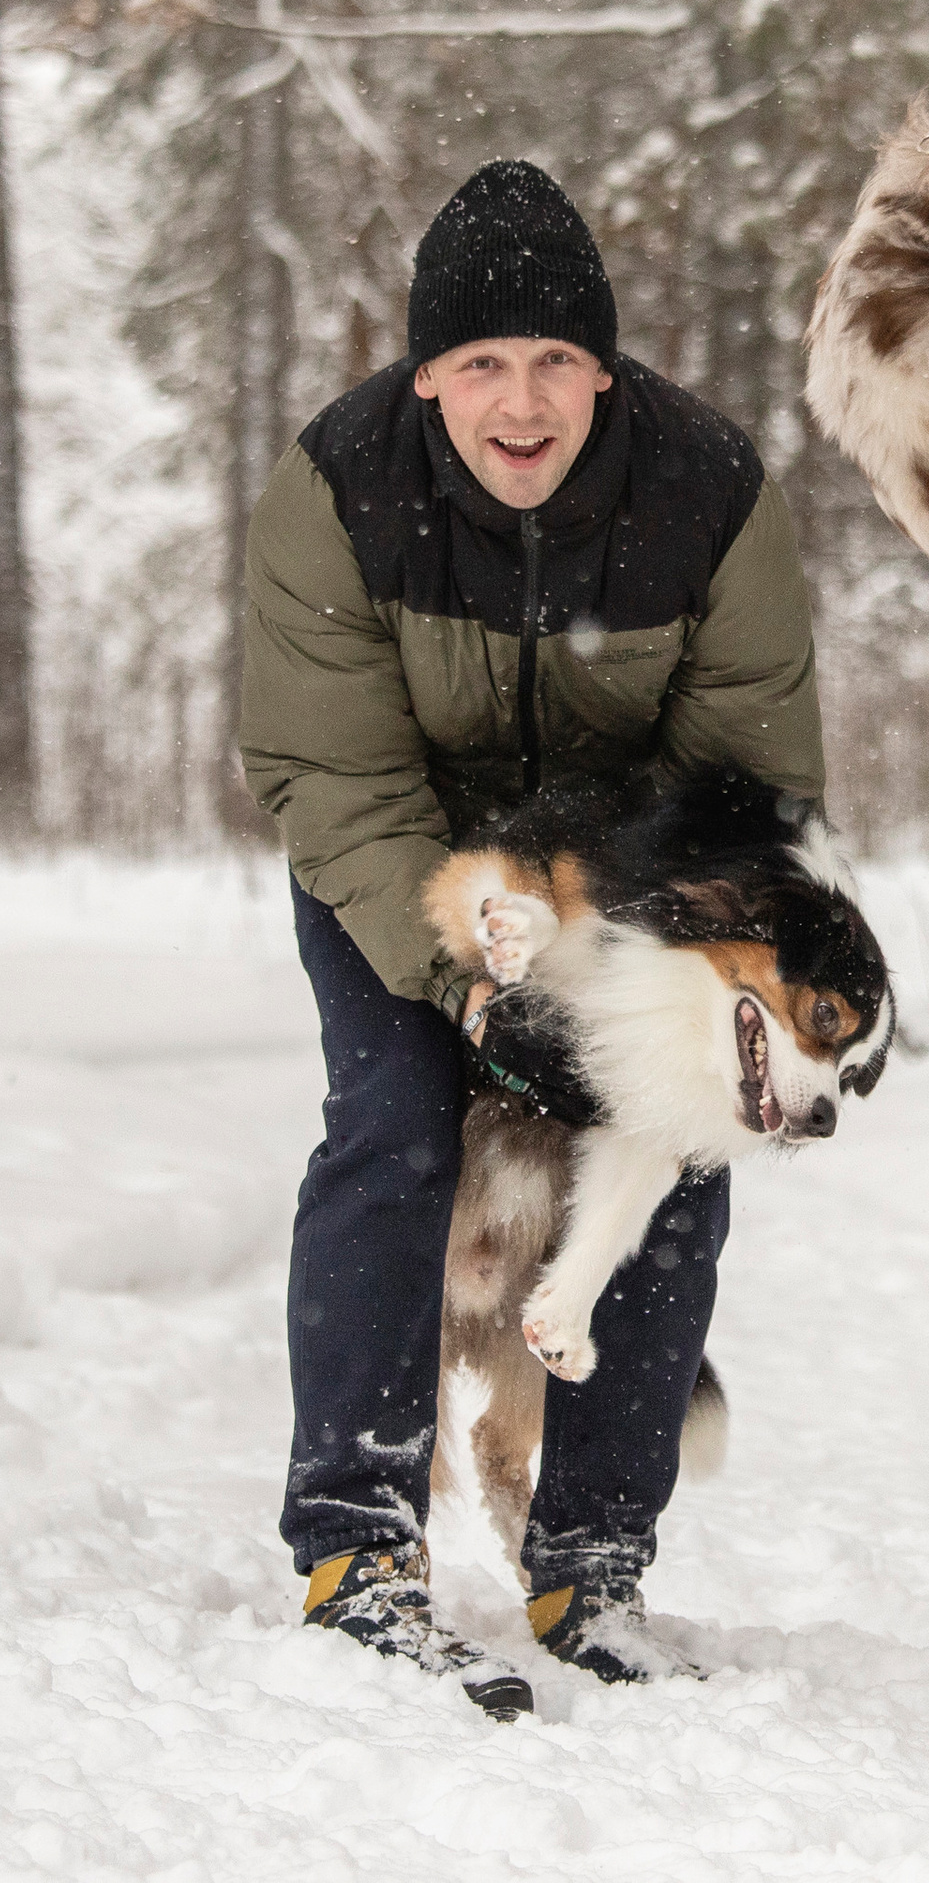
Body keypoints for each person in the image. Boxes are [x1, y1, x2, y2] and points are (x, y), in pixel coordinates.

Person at [239, 159, 826, 1713]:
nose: (523, 400)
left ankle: (593, 1561)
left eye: (559, 360)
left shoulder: (706, 489)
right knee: (396, 1138)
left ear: (606, 371)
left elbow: (751, 778)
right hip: (395, 866)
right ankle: (356, 1547)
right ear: (426, 372)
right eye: (483, 362)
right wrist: (467, 983)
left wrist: (617, 965)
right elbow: (329, 773)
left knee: (671, 1166)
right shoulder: (338, 486)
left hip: (621, 902)